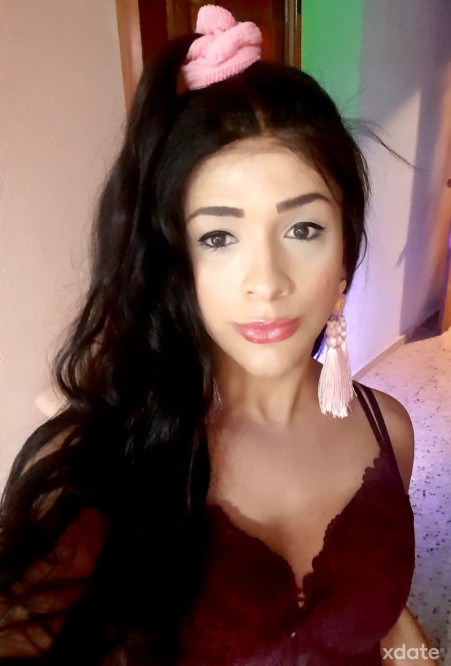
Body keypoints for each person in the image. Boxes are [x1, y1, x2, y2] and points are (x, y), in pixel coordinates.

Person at [0, 5, 436, 665]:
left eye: (303, 229)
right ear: (176, 259)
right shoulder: (103, 464)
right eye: (219, 237)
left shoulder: (392, 431)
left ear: (345, 251)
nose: (267, 281)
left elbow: (386, 619)